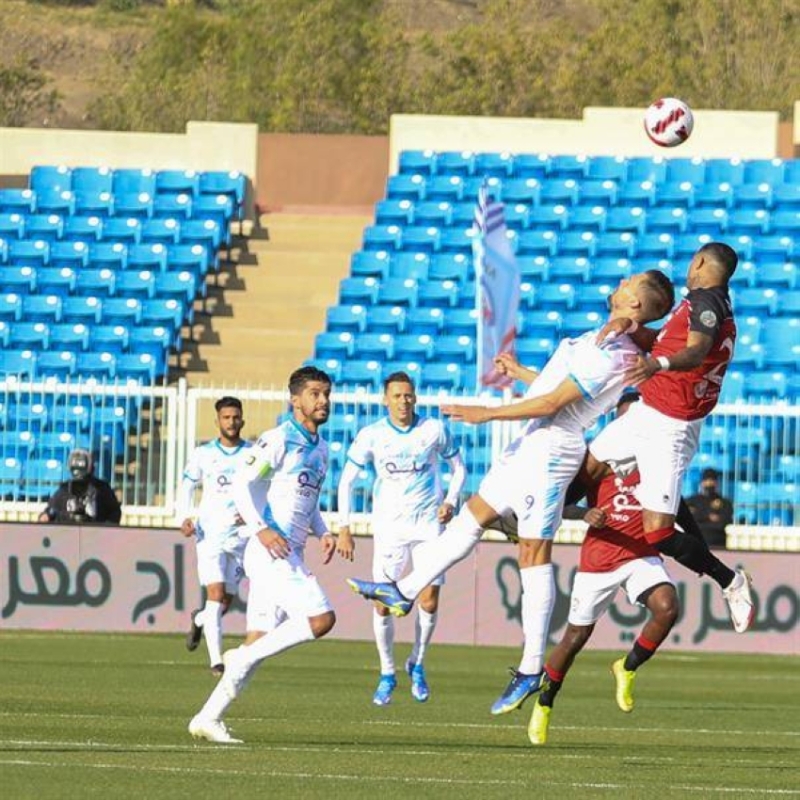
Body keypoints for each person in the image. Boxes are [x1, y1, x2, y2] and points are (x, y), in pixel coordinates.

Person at [347, 269, 675, 716]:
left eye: (628, 283)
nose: (619, 281)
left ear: (635, 303)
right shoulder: (608, 337)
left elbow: (553, 404)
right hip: (532, 442)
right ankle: (403, 591)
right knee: (472, 515)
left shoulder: (613, 353)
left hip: (553, 449)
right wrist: (520, 372)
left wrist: (487, 415)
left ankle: (530, 668)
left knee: (533, 554)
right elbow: (552, 387)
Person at [585, 242, 753, 632]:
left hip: (671, 426)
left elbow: (695, 351)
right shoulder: (697, 303)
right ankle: (523, 516)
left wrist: (655, 363)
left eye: (690, 262)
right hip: (646, 411)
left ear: (698, 262)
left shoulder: (707, 303)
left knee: (658, 531)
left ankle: (730, 580)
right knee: (589, 468)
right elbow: (666, 342)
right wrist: (632, 327)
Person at [188, 366, 354, 744]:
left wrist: (323, 531)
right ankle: (240, 659)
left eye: (326, 393)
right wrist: (261, 530)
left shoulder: (321, 448)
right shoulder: (278, 440)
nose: (323, 400)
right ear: (295, 400)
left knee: (258, 639)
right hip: (270, 551)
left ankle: (207, 717)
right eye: (314, 393)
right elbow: (242, 486)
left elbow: (306, 499)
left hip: (288, 550)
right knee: (321, 618)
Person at [528, 391, 680, 745]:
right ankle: (545, 703)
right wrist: (585, 513)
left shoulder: (659, 457)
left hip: (641, 554)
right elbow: (560, 501)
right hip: (600, 560)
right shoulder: (598, 459)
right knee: (575, 638)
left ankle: (626, 667)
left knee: (667, 607)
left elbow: (677, 505)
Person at [337, 371, 466, 706]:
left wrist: (450, 501)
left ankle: (418, 663)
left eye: (408, 395)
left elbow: (460, 469)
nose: (403, 402)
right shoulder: (372, 435)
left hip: (428, 527)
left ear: (415, 398)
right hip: (390, 529)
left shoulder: (433, 430)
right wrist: (344, 527)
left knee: (429, 600)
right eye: (396, 396)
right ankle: (387, 672)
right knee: (384, 605)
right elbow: (346, 481)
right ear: (385, 399)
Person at [177, 396, 252, 677]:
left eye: (236, 417)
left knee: (225, 603)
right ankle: (216, 662)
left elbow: (266, 489)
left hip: (241, 537)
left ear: (242, 419)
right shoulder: (203, 453)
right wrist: (184, 516)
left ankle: (199, 619)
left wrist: (254, 514)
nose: (231, 422)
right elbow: (187, 485)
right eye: (226, 417)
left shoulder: (253, 454)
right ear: (218, 420)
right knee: (216, 593)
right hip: (210, 534)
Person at [38, 448, 121, 525]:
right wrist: (45, 516)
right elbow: (50, 511)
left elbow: (115, 513)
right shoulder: (64, 490)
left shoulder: (102, 489)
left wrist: (105, 530)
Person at [686, 468, 733, 549]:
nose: (709, 483)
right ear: (701, 482)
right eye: (706, 480)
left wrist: (699, 517)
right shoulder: (691, 501)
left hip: (717, 543)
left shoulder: (725, 503)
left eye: (712, 480)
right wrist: (708, 516)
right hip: (695, 543)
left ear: (717, 483)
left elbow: (723, 524)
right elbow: (688, 520)